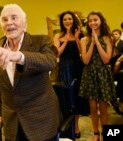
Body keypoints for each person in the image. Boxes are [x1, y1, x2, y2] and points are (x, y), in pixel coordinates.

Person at [0, 4, 60, 141]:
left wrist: (20, 56)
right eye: (5, 19)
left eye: (14, 18)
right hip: (12, 122)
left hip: (41, 120)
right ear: (2, 26)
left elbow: (50, 61)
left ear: (25, 24)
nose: (9, 22)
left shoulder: (41, 41)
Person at [79, 11, 116, 141]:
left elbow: (106, 60)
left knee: (104, 108)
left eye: (95, 20)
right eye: (90, 21)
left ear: (101, 21)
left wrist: (97, 41)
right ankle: (95, 133)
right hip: (90, 74)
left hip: (103, 74)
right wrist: (92, 43)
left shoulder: (108, 38)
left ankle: (105, 133)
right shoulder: (84, 40)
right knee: (93, 108)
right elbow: (85, 60)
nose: (93, 22)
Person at [53, 11, 90, 139]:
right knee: (66, 98)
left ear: (73, 20)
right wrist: (67, 38)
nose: (67, 21)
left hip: (77, 68)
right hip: (64, 68)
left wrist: (76, 36)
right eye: (65, 19)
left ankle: (76, 126)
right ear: (62, 22)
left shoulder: (79, 34)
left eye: (69, 19)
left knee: (76, 97)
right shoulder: (58, 35)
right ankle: (66, 126)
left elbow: (82, 53)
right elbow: (57, 53)